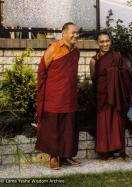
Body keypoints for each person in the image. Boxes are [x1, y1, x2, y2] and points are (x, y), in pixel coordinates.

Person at [35, 22, 81, 170]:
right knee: (53, 128)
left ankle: (67, 155)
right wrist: (42, 92)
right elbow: (42, 71)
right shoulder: (53, 48)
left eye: (77, 33)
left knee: (69, 127)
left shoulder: (76, 51)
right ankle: (53, 157)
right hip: (54, 95)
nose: (76, 35)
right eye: (73, 32)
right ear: (64, 33)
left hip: (69, 96)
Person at [90, 32, 132, 160]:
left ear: (111, 41)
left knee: (117, 122)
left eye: (107, 41)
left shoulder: (117, 56)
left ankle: (119, 150)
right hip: (102, 95)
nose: (105, 44)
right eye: (102, 42)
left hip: (116, 95)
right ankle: (105, 151)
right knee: (103, 122)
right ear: (98, 43)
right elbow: (94, 78)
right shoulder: (94, 60)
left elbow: (126, 73)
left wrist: (114, 74)